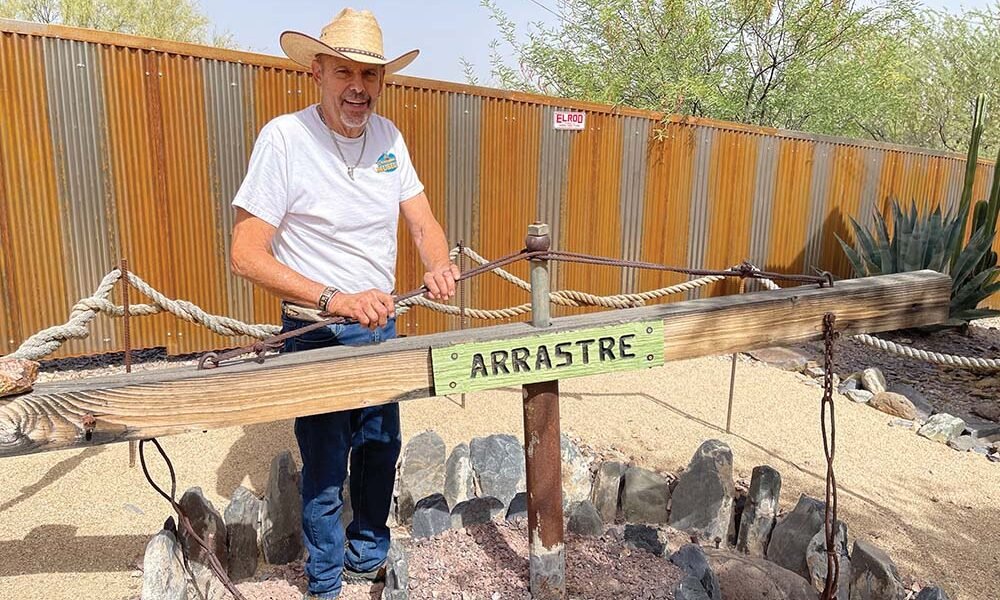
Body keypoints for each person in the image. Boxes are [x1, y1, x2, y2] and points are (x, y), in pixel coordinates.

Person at [229, 8, 459, 599]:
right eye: (344, 73)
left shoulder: (390, 139)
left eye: (370, 75)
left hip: (382, 327)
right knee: (327, 470)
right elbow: (246, 254)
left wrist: (437, 262)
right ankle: (325, 584)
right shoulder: (284, 138)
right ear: (317, 72)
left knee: (381, 452)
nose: (358, 88)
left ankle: (367, 557)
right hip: (316, 331)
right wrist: (336, 298)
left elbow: (423, 222)